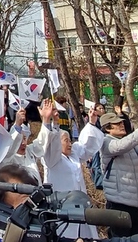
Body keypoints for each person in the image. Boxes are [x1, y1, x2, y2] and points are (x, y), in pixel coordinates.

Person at [42, 101, 104, 240]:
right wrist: (55, 123)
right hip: (62, 207)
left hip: (80, 206)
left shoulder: (74, 153)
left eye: (70, 140)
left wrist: (92, 122)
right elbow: (50, 145)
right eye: (66, 141)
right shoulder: (52, 159)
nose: (70, 144)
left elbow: (87, 146)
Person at [99, 111, 138, 237]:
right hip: (118, 205)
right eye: (117, 123)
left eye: (121, 122)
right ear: (107, 128)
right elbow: (120, 146)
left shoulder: (129, 144)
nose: (122, 125)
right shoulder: (105, 142)